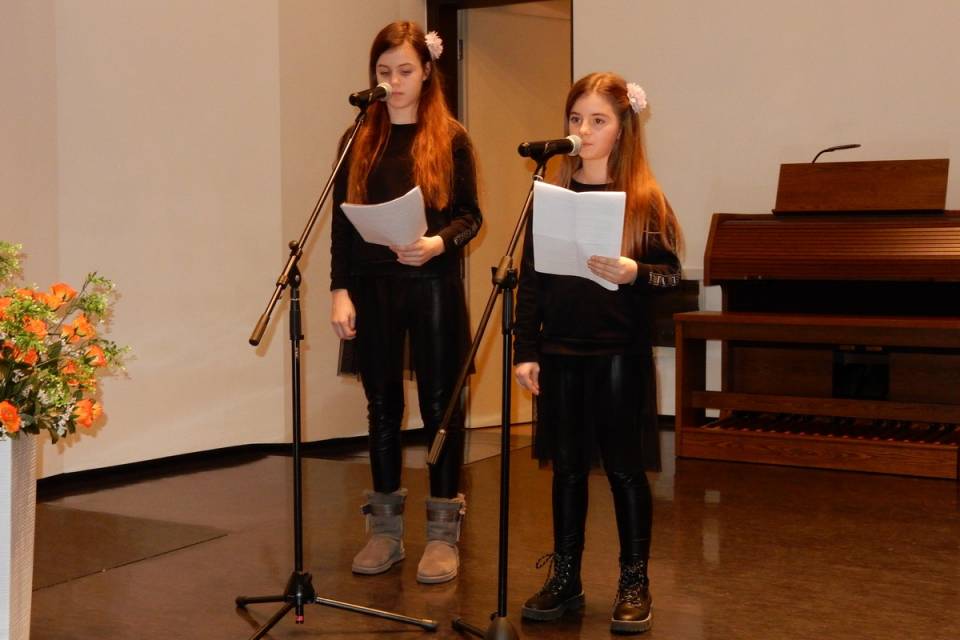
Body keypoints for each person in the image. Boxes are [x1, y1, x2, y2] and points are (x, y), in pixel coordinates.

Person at [513, 72, 683, 634]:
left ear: (622, 129)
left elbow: (671, 277)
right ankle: (566, 577)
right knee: (566, 471)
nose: (583, 130)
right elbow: (530, 280)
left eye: (597, 120)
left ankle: (634, 581)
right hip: (560, 351)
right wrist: (526, 348)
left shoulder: (644, 200)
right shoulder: (551, 198)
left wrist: (636, 272)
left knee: (624, 471)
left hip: (617, 355)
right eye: (575, 118)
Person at [329, 21, 481, 585]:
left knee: (441, 406)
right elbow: (341, 226)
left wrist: (438, 243)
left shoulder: (451, 137)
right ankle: (385, 531)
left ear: (427, 73)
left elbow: (471, 217)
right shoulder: (357, 139)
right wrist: (339, 290)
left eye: (405, 71)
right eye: (383, 72)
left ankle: (442, 532)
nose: (393, 83)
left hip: (432, 283)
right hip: (373, 285)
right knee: (382, 405)